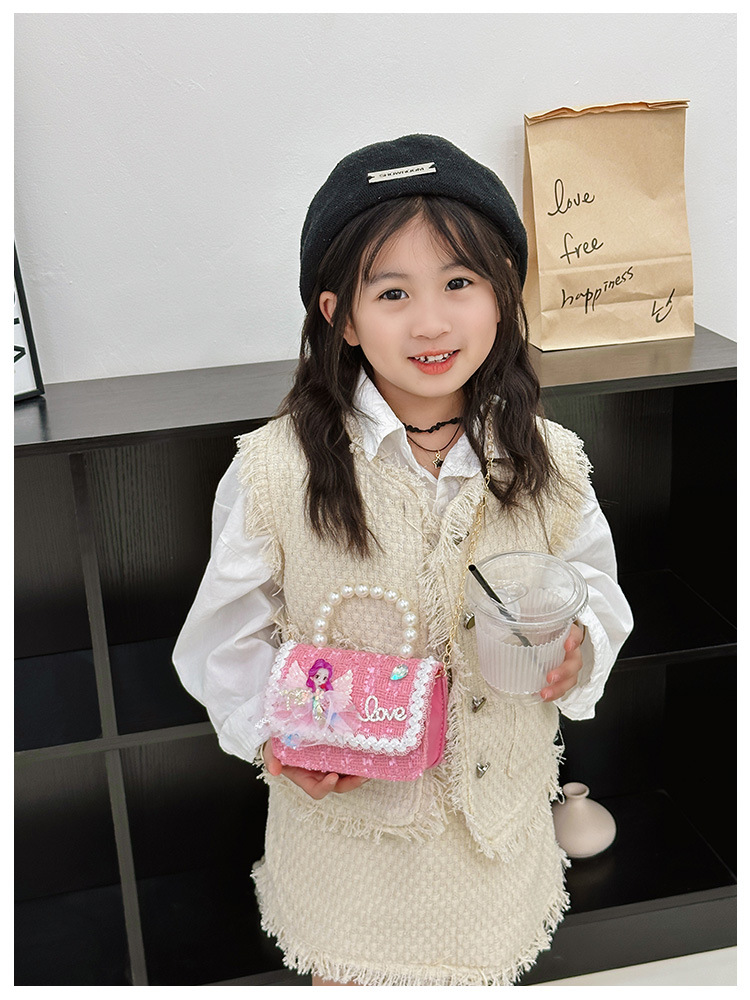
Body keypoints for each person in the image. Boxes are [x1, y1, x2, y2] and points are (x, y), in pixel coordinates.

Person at [173, 134, 633, 987]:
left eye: (459, 283)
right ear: (340, 316)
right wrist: (279, 740)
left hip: (497, 852)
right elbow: (223, 641)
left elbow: (596, 591)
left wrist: (581, 649)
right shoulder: (274, 470)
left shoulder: (554, 461)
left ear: (503, 293)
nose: (431, 322)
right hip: (346, 859)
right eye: (392, 293)